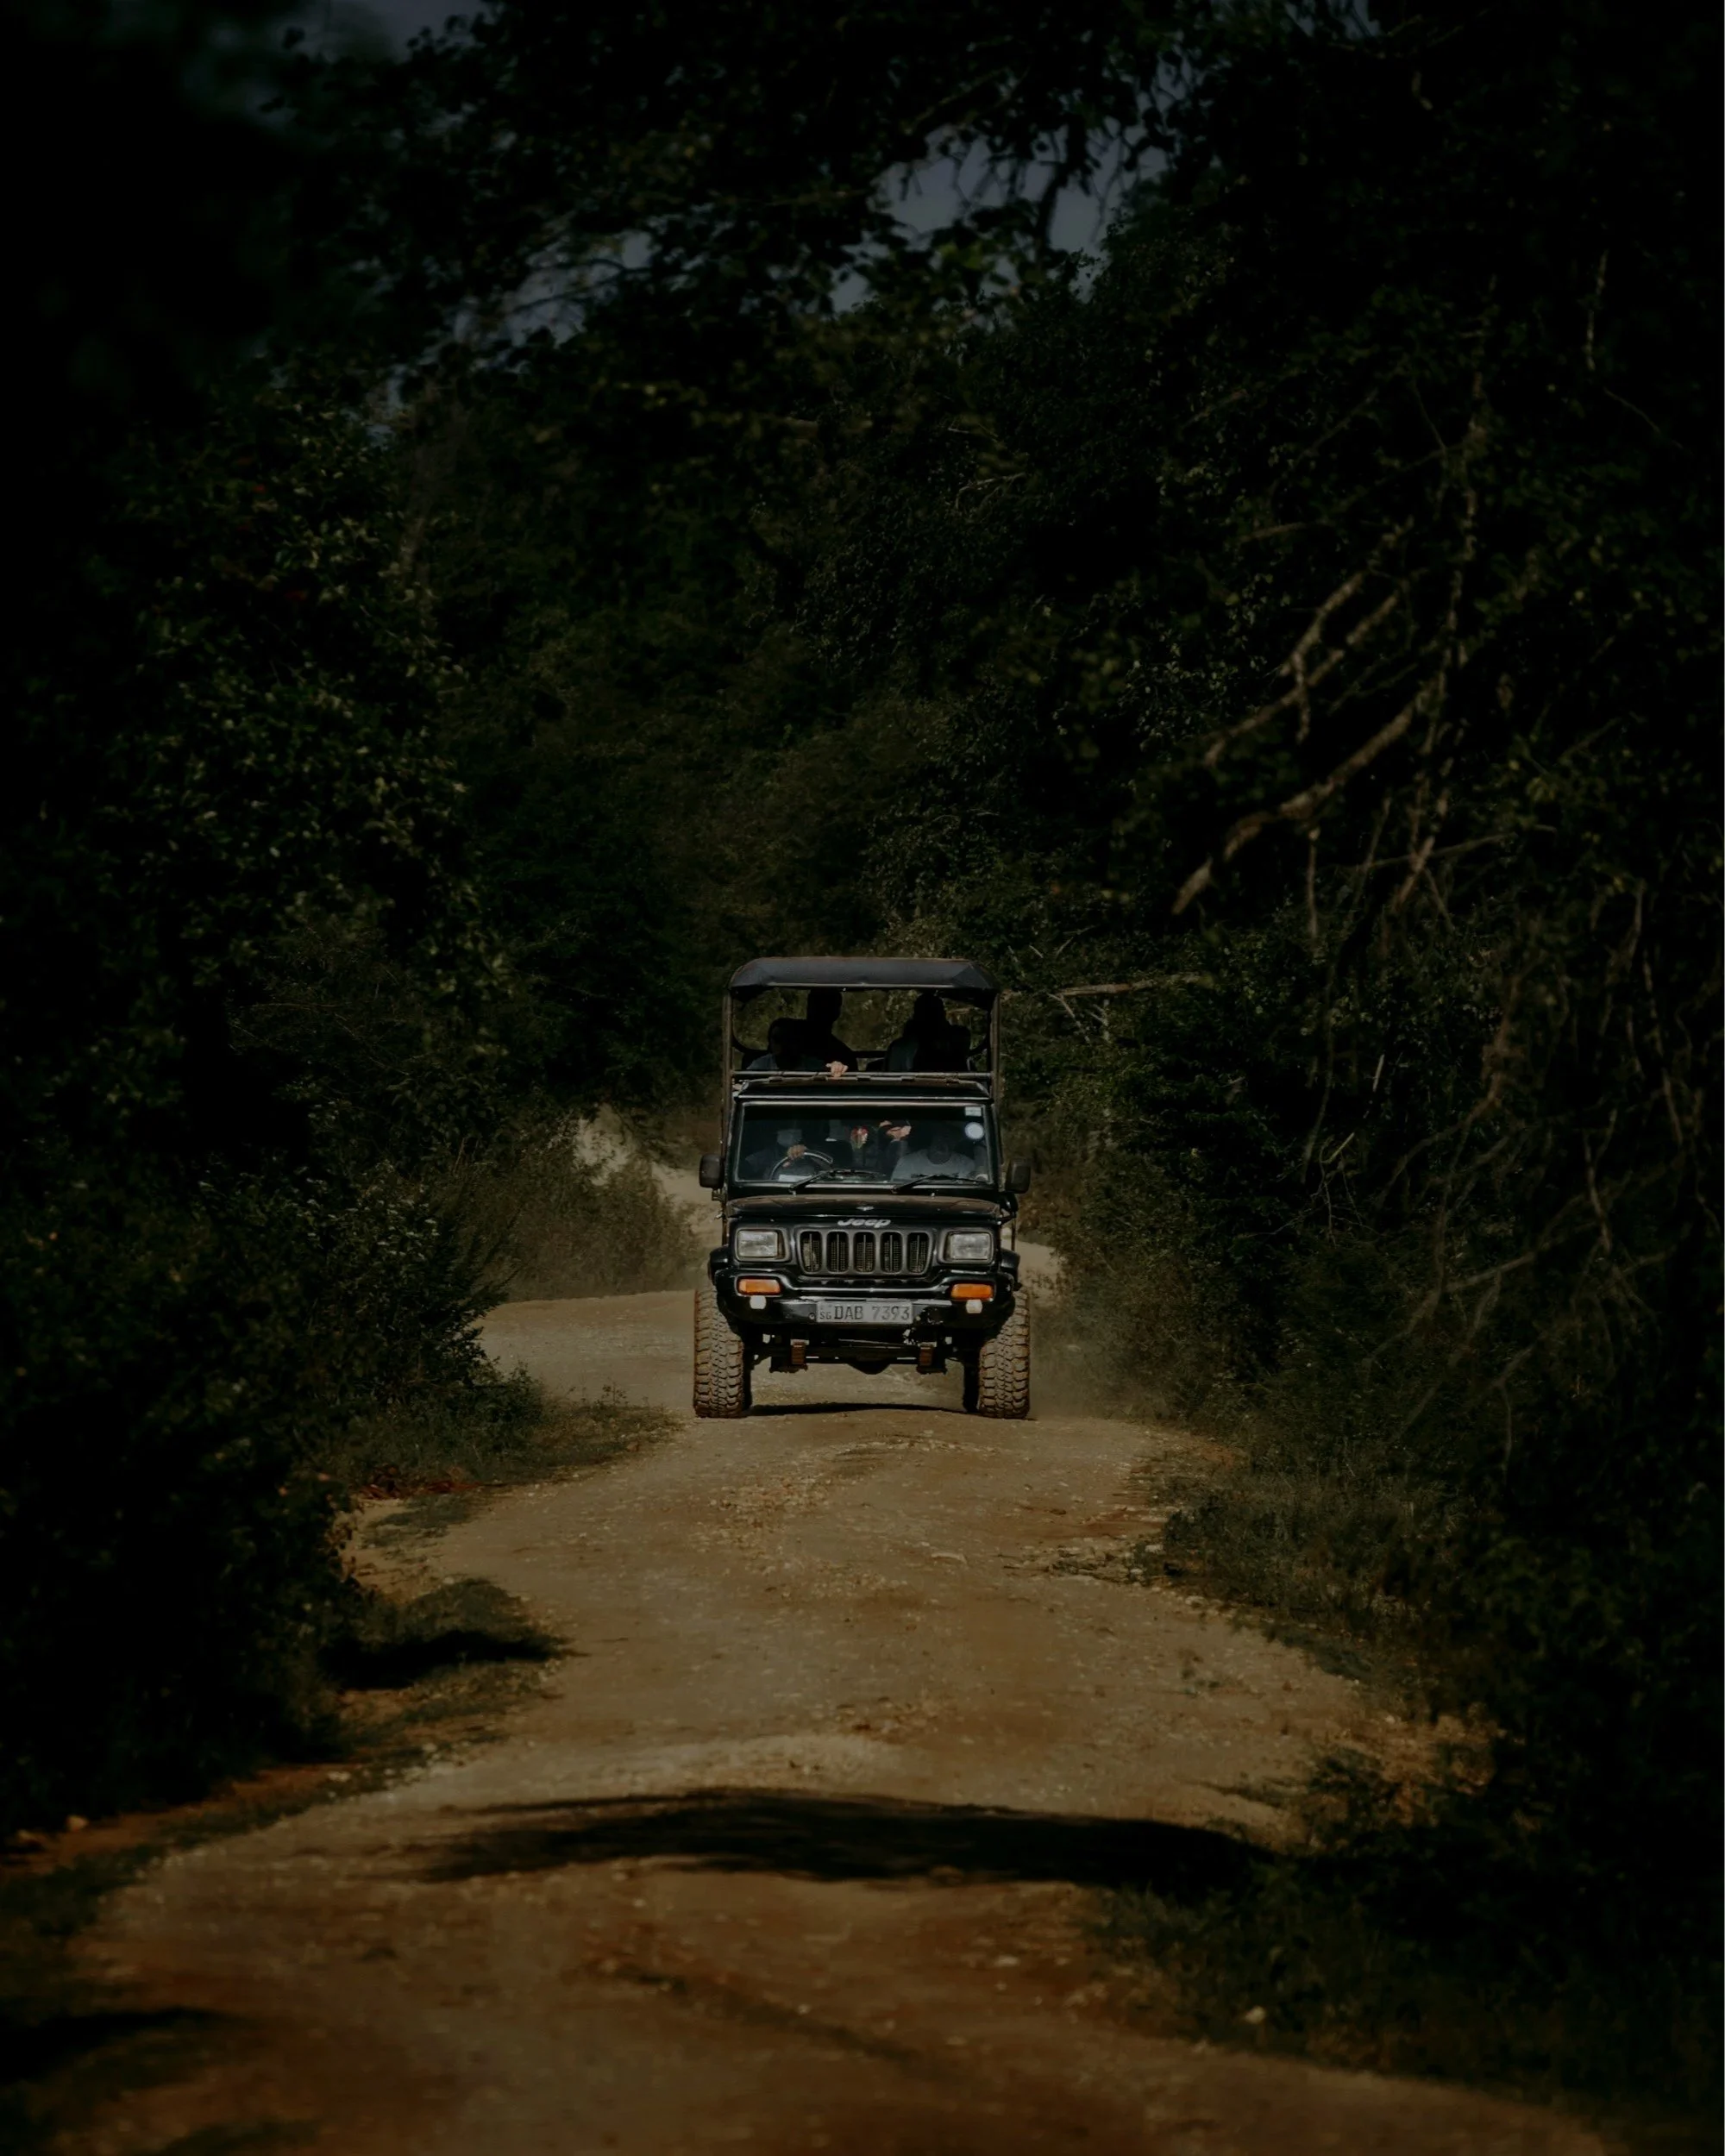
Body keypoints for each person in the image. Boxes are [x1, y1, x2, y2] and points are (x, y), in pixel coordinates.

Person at [885, 992, 969, 1072]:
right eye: (927, 1016)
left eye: (935, 1016)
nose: (931, 1023)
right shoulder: (901, 1048)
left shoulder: (955, 1043)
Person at [795, 987, 857, 1076]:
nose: (818, 1012)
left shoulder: (844, 1055)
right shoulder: (786, 1039)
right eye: (816, 1004)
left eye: (825, 1006)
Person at [890, 1127, 977, 1182]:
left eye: (949, 1139)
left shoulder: (966, 1164)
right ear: (932, 1139)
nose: (943, 1143)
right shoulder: (908, 1162)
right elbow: (898, 1190)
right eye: (940, 1137)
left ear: (955, 1143)